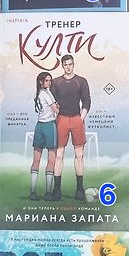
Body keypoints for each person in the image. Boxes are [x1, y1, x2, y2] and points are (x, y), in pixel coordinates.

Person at [51, 54, 91, 201]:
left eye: (70, 64)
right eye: (66, 64)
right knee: (59, 155)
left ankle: (79, 189)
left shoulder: (81, 81)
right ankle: (56, 190)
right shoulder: (56, 82)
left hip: (76, 118)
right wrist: (55, 113)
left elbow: (87, 100)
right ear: (62, 65)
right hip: (61, 119)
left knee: (79, 155)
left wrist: (81, 118)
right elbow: (51, 102)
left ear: (73, 64)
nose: (68, 67)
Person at [30, 72, 59, 201]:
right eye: (47, 80)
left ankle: (33, 192)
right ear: (41, 81)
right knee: (51, 160)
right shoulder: (47, 94)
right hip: (49, 126)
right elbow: (56, 109)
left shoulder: (37, 94)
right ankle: (48, 193)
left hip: (39, 126)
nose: (49, 83)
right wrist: (57, 107)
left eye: (50, 80)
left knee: (36, 160)